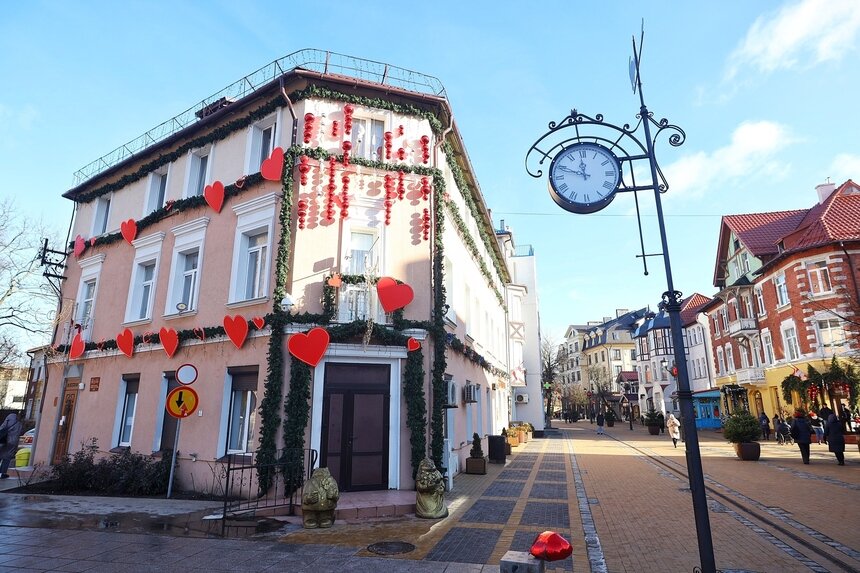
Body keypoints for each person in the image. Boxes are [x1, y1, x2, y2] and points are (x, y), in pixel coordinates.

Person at [0, 412, 23, 479]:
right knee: (7, 458)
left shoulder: (8, 419)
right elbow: (20, 433)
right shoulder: (20, 424)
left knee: (1, 456)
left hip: (4, 441)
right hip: (13, 443)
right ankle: (2, 473)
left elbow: (2, 428)